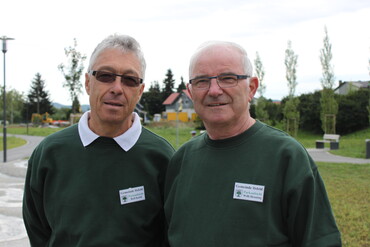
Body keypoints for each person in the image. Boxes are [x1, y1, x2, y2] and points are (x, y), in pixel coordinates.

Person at [164, 41, 341, 246]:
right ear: (191, 91)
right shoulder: (182, 159)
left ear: (251, 88)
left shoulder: (286, 157)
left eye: (227, 78)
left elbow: (320, 241)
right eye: (202, 81)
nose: (214, 90)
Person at [23, 34, 175, 247]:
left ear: (140, 91)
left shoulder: (162, 157)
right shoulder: (50, 154)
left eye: (129, 80)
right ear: (87, 83)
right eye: (106, 76)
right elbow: (38, 231)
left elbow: (171, 235)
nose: (117, 88)